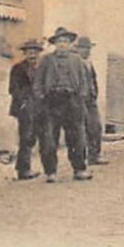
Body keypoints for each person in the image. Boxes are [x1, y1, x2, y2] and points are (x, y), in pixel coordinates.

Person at [35, 27, 91, 181]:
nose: (62, 44)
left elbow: (85, 81)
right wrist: (40, 96)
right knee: (49, 138)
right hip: (52, 101)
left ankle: (79, 169)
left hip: (72, 100)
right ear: (54, 44)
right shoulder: (46, 60)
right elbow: (38, 82)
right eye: (59, 41)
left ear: (70, 44)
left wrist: (82, 95)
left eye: (65, 41)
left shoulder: (77, 60)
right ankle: (50, 172)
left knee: (76, 137)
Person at [9, 38, 44, 180]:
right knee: (26, 137)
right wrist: (24, 101)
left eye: (35, 52)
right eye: (29, 52)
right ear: (25, 54)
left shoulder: (41, 69)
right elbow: (13, 89)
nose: (32, 55)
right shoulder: (17, 69)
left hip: (39, 107)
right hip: (25, 107)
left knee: (33, 137)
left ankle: (26, 167)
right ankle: (23, 170)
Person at [75, 36, 107, 166]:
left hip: (90, 100)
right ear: (78, 49)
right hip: (79, 100)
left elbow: (93, 80)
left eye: (88, 48)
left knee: (96, 127)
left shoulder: (89, 63)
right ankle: (81, 158)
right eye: (84, 48)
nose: (87, 51)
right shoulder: (75, 63)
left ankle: (94, 155)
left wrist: (94, 94)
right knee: (81, 130)